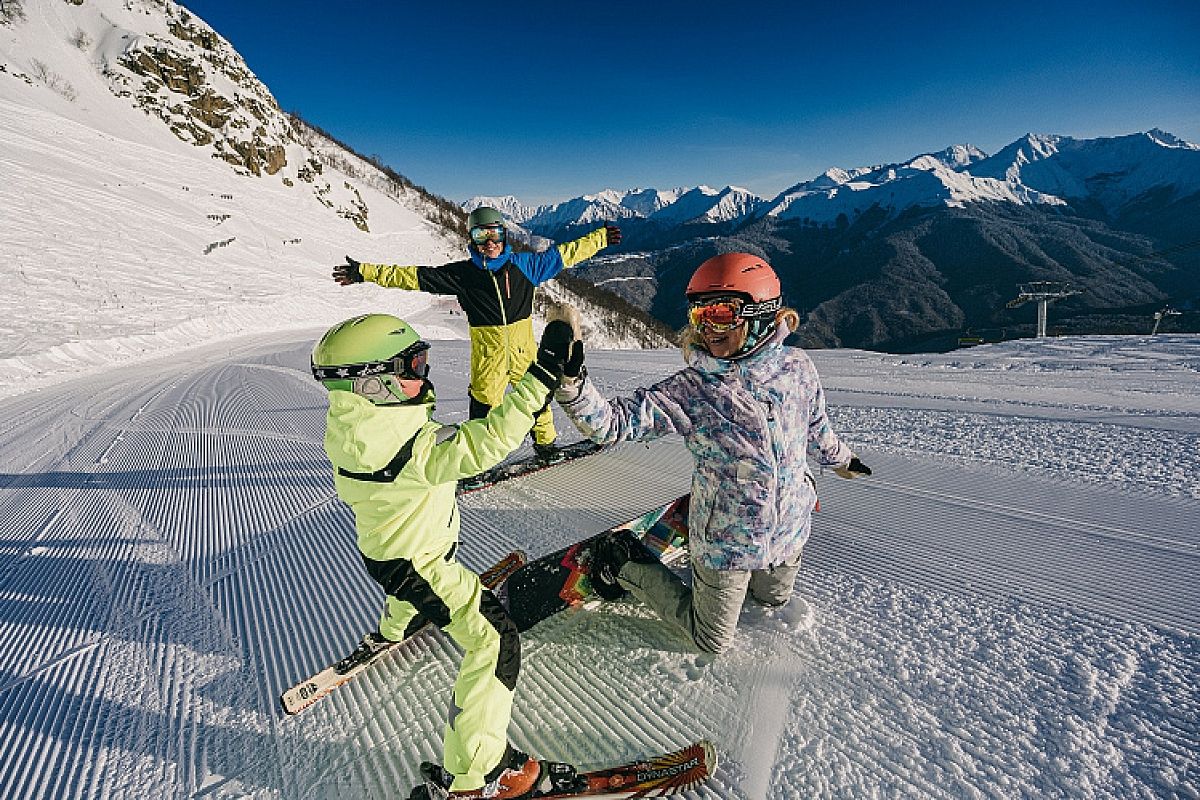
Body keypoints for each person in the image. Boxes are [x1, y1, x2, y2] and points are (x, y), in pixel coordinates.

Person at [548, 252, 872, 655]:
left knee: (773, 601)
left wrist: (841, 460)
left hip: (788, 526)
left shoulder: (797, 367)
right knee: (711, 640)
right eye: (698, 315)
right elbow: (614, 424)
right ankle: (624, 560)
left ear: (762, 312)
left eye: (720, 313)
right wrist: (572, 386)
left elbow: (816, 426)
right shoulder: (695, 389)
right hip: (726, 538)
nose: (706, 327)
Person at [310, 312, 573, 798]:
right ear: (372, 384)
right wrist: (540, 378)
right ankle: (479, 772)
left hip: (387, 552)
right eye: (412, 366)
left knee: (406, 586)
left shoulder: (353, 430)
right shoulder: (414, 450)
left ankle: (398, 626)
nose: (424, 374)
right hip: (423, 563)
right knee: (494, 642)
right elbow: (489, 441)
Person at [331, 206, 621, 462]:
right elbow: (411, 276)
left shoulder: (526, 267)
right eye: (481, 236)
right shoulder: (462, 275)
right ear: (472, 239)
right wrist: (364, 272)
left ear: (504, 235)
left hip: (523, 353)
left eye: (494, 234)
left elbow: (566, 253)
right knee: (483, 408)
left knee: (537, 400)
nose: (490, 243)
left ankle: (546, 446)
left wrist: (600, 238)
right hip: (487, 358)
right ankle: (476, 457)